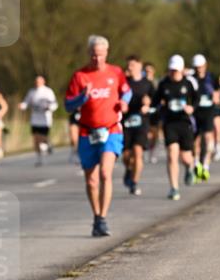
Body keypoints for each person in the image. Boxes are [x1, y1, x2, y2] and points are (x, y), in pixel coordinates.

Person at [65, 35, 130, 236]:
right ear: (89, 54)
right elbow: (68, 105)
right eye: (94, 55)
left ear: (107, 54)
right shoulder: (80, 76)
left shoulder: (116, 72)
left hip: (111, 130)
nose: (97, 59)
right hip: (87, 132)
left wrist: (125, 102)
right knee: (91, 181)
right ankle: (96, 216)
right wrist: (82, 97)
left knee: (105, 174)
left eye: (101, 55)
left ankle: (102, 218)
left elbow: (126, 91)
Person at [151, 55, 198, 200]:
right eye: (172, 70)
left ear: (182, 70)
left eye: (176, 71)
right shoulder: (163, 84)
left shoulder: (189, 83)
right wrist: (157, 106)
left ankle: (190, 168)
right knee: (172, 155)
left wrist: (192, 108)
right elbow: (155, 102)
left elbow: (196, 100)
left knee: (186, 157)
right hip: (170, 123)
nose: (174, 73)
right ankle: (174, 188)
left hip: (184, 123)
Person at [121, 55, 154, 195]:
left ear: (140, 66)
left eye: (132, 65)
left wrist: (148, 104)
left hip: (142, 122)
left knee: (138, 152)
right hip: (126, 122)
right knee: (126, 156)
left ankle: (134, 183)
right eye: (128, 65)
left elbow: (156, 101)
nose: (130, 68)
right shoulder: (124, 83)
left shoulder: (147, 83)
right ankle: (129, 169)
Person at [189, 54, 218, 183]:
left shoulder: (211, 78)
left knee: (208, 139)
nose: (198, 69)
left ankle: (206, 166)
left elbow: (218, 92)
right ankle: (196, 165)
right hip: (195, 113)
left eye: (200, 67)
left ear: (205, 66)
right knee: (196, 141)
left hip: (208, 112)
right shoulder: (190, 80)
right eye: (196, 67)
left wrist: (216, 96)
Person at [19, 75, 58, 166]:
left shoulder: (48, 92)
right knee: (36, 140)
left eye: (39, 81)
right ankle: (39, 158)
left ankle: (48, 144)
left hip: (45, 119)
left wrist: (49, 108)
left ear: (43, 82)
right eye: (36, 82)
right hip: (35, 119)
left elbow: (54, 104)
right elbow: (26, 102)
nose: (37, 83)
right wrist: (22, 106)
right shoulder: (32, 92)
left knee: (42, 138)